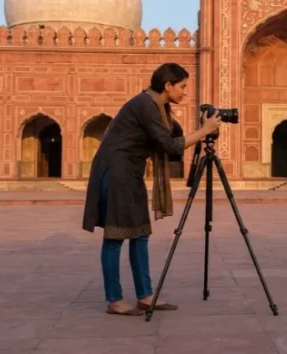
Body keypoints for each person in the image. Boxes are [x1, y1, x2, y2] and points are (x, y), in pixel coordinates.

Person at [82, 62, 222, 315]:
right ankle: (115, 300)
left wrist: (202, 128)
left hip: (128, 172)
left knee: (140, 234)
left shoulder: (156, 106)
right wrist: (204, 131)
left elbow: (170, 139)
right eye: (182, 86)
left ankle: (145, 296)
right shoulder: (146, 104)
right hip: (116, 171)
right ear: (167, 85)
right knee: (115, 237)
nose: (184, 92)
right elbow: (170, 146)